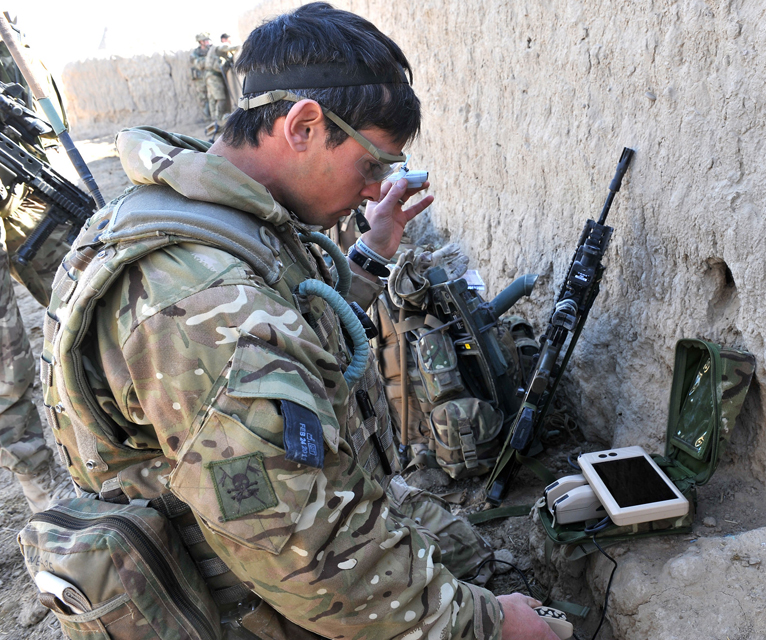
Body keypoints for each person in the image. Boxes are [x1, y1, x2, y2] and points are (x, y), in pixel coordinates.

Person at [42, 3, 560, 640]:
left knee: (457, 545)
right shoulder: (201, 302)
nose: (375, 190)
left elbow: (289, 318)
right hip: (243, 595)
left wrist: (370, 254)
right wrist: (487, 626)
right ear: (304, 125)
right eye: (372, 164)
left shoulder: (191, 208)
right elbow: (304, 558)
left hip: (247, 532)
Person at [0, 23, 75, 513]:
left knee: (85, 296)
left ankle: (125, 440)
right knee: (3, 355)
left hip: (22, 173)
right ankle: (44, 484)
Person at [204, 32, 239, 126]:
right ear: (224, 40)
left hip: (209, 75)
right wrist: (238, 47)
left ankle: (215, 121)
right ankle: (219, 121)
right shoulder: (219, 45)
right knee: (220, 98)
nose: (229, 42)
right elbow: (225, 47)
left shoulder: (212, 48)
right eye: (228, 40)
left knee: (212, 99)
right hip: (214, 76)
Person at [190, 32, 211, 120]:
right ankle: (207, 118)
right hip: (200, 80)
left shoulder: (211, 50)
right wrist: (208, 60)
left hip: (211, 78)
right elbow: (198, 64)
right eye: (205, 41)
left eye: (207, 40)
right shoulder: (195, 53)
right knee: (203, 98)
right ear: (200, 42)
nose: (207, 42)